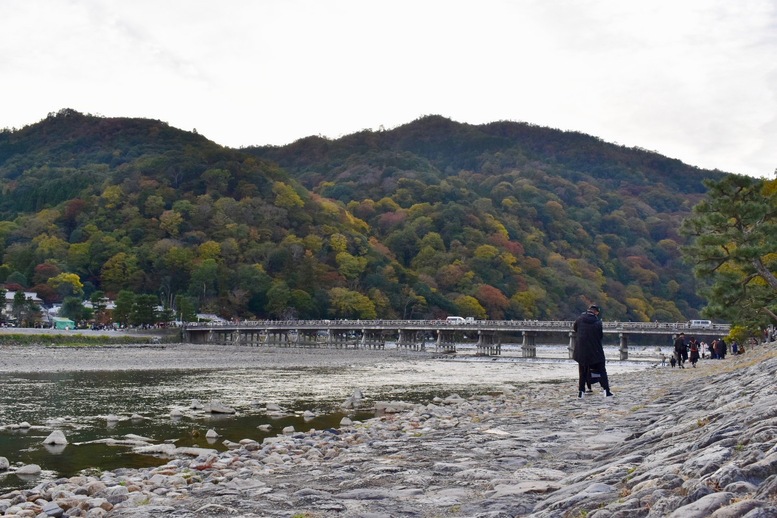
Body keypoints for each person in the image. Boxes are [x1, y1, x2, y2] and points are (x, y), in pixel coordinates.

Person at [573, 304, 613, 398]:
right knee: (602, 370)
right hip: (595, 350)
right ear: (596, 312)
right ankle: (606, 391)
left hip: (581, 350)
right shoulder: (598, 322)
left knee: (582, 371)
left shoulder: (579, 319)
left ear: (589, 310)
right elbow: (600, 336)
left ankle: (581, 392)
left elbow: (575, 329)